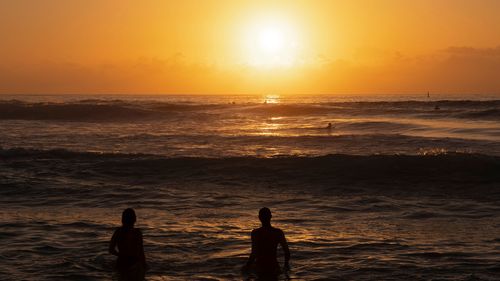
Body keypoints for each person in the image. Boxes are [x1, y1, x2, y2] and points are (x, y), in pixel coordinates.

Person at [244, 207, 290, 279]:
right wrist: (286, 266)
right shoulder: (278, 232)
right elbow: (287, 252)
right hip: (274, 266)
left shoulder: (256, 233)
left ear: (259, 218)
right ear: (271, 216)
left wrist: (247, 267)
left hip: (260, 267)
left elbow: (254, 253)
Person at [109, 208, 146, 281]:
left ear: (122, 219)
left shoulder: (118, 232)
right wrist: (144, 264)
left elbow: (111, 250)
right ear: (135, 219)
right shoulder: (138, 232)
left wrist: (121, 255)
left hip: (122, 262)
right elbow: (141, 252)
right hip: (134, 263)